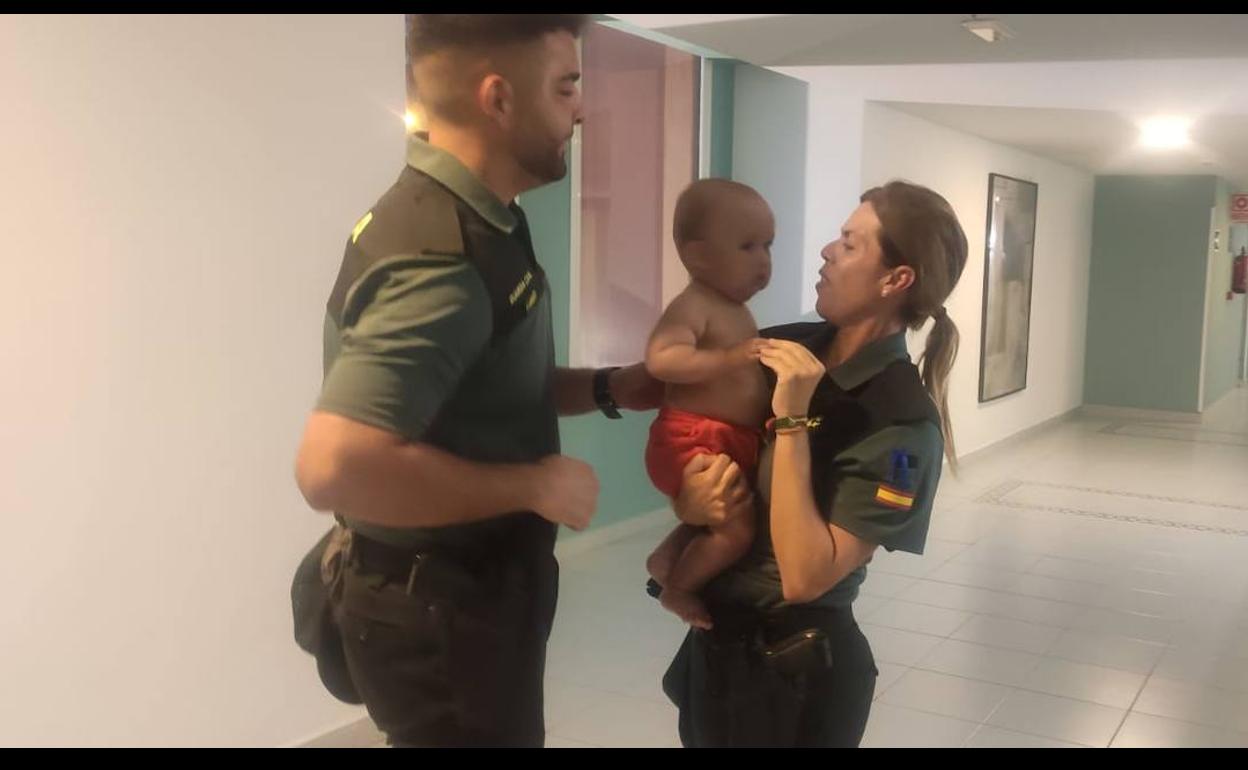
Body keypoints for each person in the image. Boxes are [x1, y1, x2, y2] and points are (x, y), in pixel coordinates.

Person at [293, 14, 661, 747]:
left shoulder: (483, 219)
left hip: (465, 594)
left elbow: (487, 382)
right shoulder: (440, 256)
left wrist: (610, 386)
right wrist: (530, 486)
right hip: (439, 609)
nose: (582, 109)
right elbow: (332, 468)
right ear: (498, 99)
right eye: (566, 88)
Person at [661, 180, 969, 747]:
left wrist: (793, 419)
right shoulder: (781, 347)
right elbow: (705, 448)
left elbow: (806, 576)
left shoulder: (900, 424)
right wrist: (690, 502)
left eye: (850, 244)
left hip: (796, 675)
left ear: (895, 280)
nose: (827, 251)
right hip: (717, 652)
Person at [642, 179, 773, 630]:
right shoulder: (695, 304)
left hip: (724, 439)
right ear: (698, 256)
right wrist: (726, 358)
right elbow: (661, 358)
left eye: (768, 246)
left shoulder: (732, 308)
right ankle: (679, 589)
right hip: (692, 437)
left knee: (724, 517)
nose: (763, 262)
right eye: (748, 246)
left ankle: (666, 559)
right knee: (736, 531)